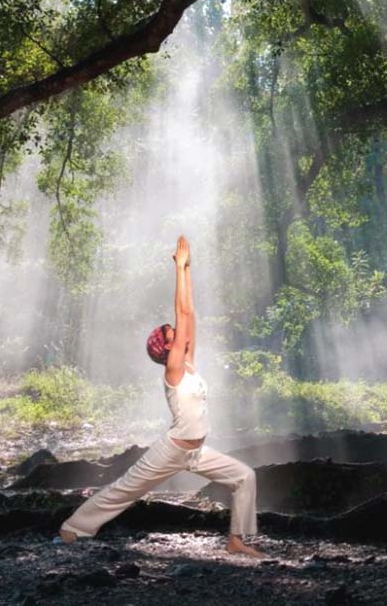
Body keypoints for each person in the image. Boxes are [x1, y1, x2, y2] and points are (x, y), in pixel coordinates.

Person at [58, 236, 264, 557]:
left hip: (195, 452)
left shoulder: (189, 363)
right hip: (172, 450)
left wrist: (188, 270)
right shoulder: (173, 371)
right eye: (172, 334)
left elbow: (189, 314)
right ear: (167, 348)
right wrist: (179, 269)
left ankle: (238, 540)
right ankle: (73, 528)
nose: (178, 333)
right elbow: (181, 314)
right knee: (126, 489)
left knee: (244, 477)